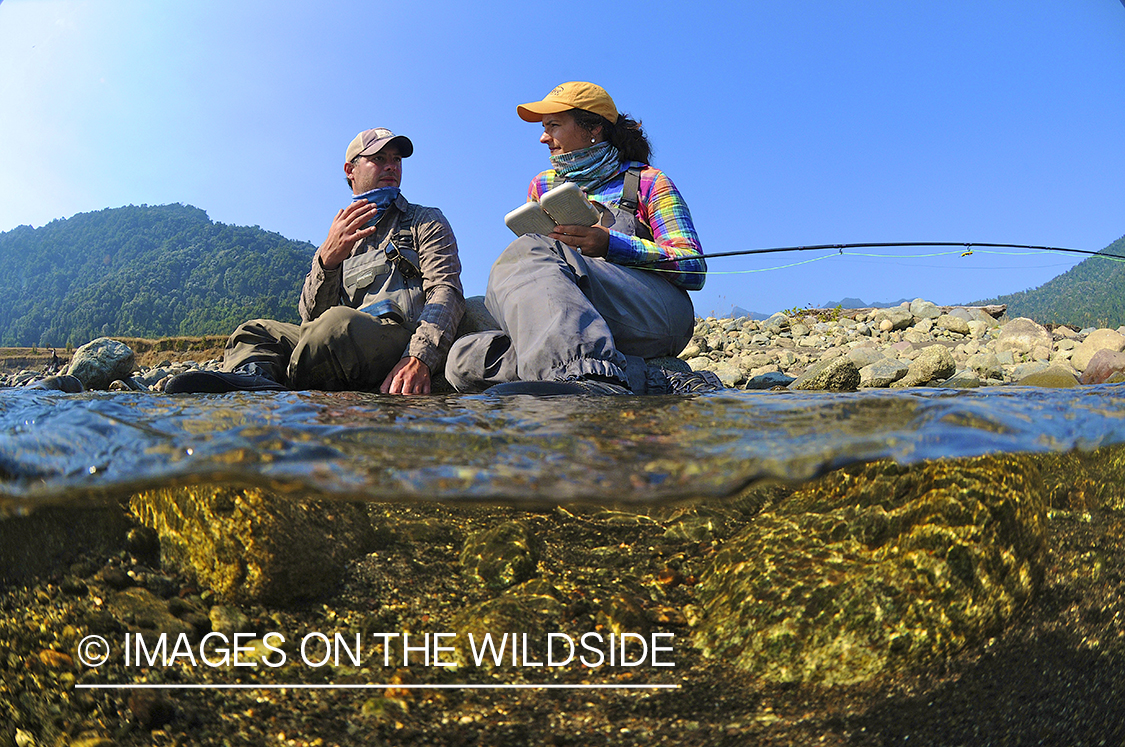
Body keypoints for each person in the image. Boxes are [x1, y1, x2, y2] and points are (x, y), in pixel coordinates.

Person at [445, 82, 718, 395]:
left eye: (554, 126)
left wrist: (609, 244)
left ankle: (590, 384)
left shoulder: (649, 182)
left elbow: (693, 268)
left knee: (529, 249)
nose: (543, 137)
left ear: (594, 129)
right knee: (463, 360)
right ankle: (646, 378)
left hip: (652, 315)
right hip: (574, 320)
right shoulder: (543, 184)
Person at [166, 128, 465, 395]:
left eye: (397, 159)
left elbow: (446, 290)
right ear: (350, 170)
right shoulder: (338, 233)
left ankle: (285, 390)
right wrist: (328, 261)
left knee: (336, 325)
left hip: (397, 337)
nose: (391, 165)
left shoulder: (424, 220)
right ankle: (254, 384)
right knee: (255, 330)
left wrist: (420, 356)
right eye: (379, 158)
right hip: (333, 342)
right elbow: (309, 317)